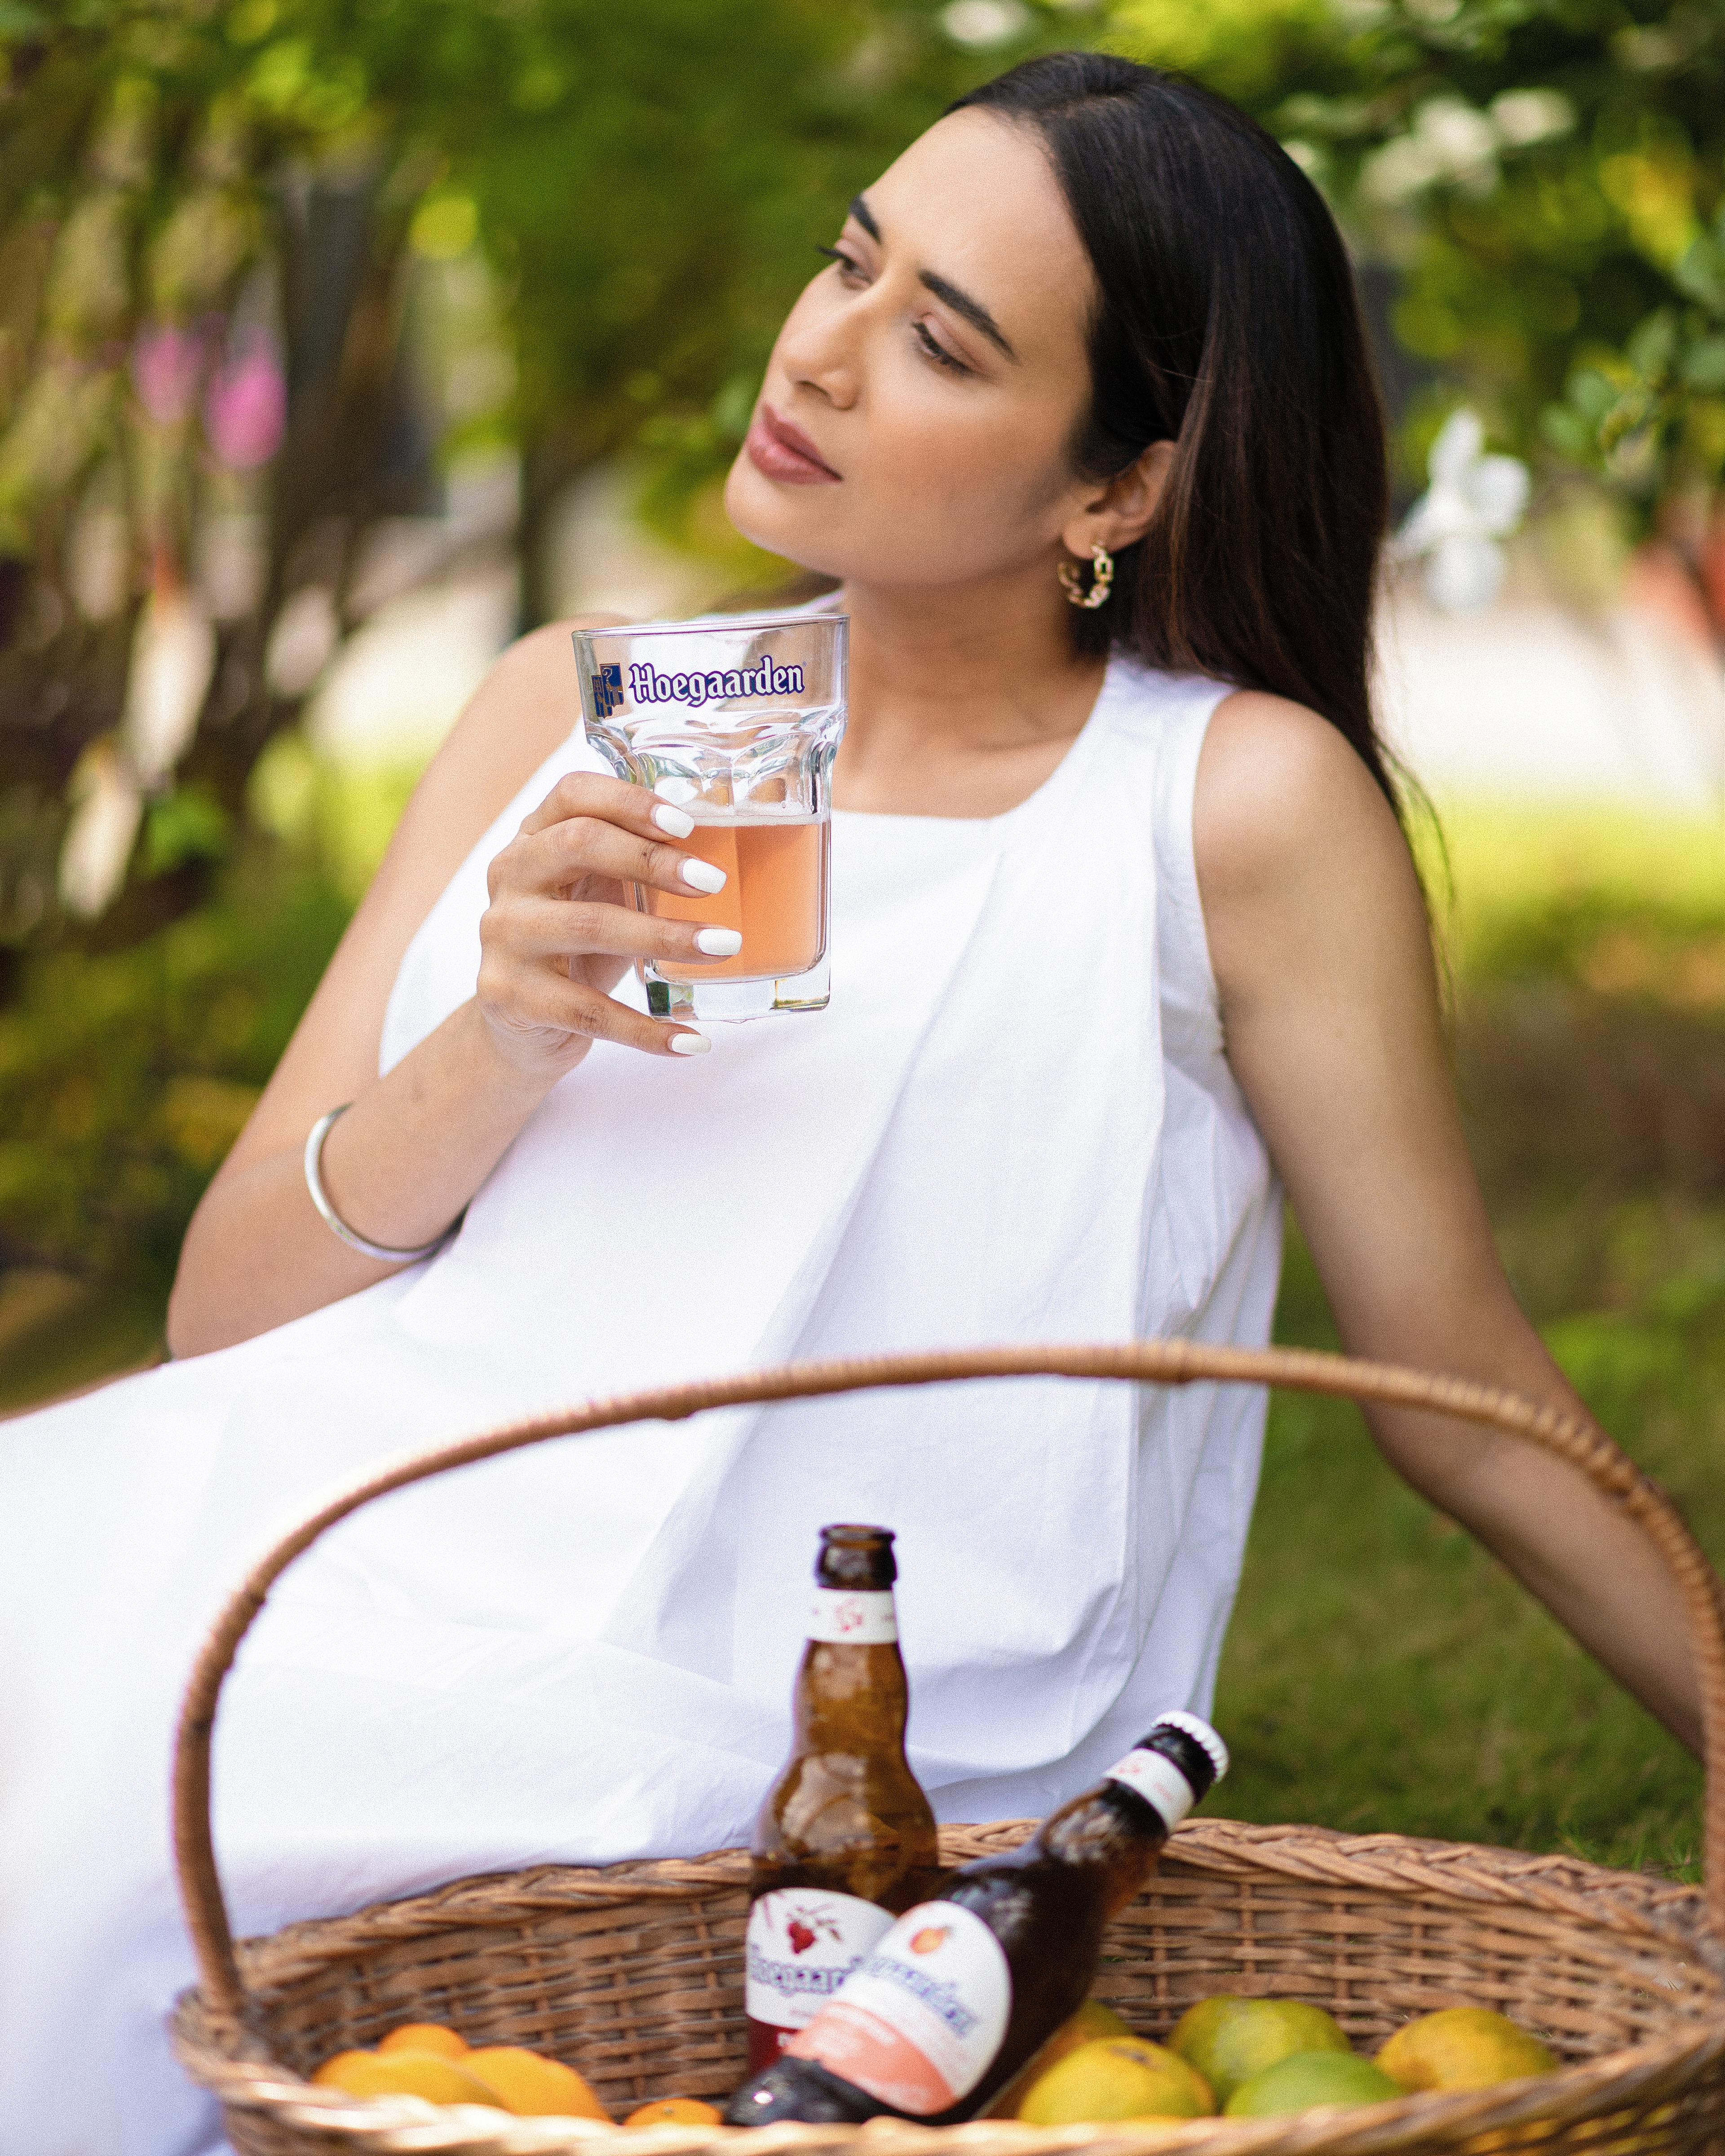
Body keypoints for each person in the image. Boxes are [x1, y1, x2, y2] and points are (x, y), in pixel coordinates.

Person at [0, 50, 1698, 2156]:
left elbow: (1452, 1374)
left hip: (801, 1700)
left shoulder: (1219, 805)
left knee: (80, 1857)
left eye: (940, 340)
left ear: (1116, 491)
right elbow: (219, 1316)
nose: (819, 351)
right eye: (848, 262)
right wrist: (502, 1037)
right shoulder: (575, 704)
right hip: (342, 1523)